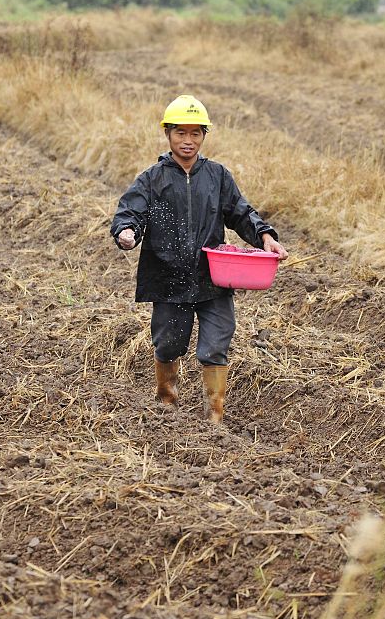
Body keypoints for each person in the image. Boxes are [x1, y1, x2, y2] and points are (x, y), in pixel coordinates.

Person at [111, 95, 287, 423]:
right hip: (168, 277)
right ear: (167, 133)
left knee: (215, 347)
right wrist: (126, 231)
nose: (188, 140)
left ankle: (214, 419)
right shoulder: (152, 179)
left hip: (213, 279)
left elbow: (240, 212)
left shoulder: (217, 176)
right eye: (180, 132)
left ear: (204, 135)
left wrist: (265, 236)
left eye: (195, 133)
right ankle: (167, 406)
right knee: (168, 345)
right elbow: (130, 212)